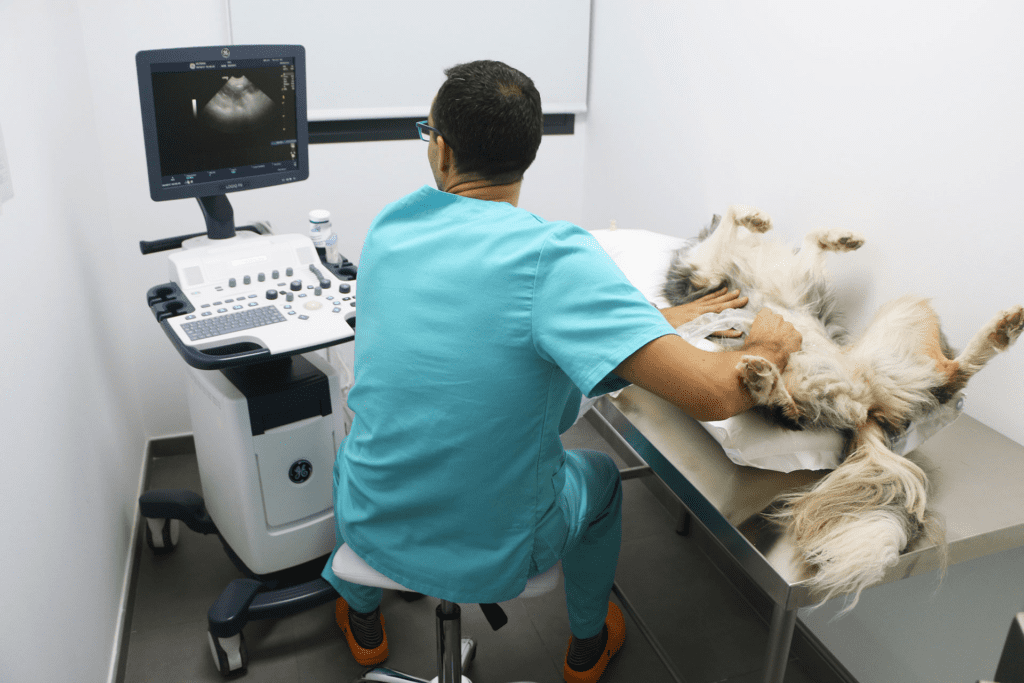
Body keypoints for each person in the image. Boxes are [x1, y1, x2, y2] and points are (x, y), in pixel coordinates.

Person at [320, 60, 801, 683]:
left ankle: (361, 619)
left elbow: (484, 335)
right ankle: (586, 643)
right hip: (494, 548)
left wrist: (649, 324)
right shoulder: (554, 255)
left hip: (373, 524)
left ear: (440, 151)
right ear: (530, 155)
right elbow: (713, 394)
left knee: (353, 452)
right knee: (599, 477)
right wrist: (767, 344)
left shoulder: (389, 230)